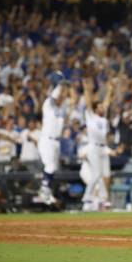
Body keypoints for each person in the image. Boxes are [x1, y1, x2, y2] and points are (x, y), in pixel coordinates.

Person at [37, 72, 75, 205]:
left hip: (56, 142)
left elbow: (65, 99)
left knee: (53, 168)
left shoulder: (61, 107)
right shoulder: (48, 103)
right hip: (47, 140)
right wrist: (61, 85)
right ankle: (43, 192)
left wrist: (66, 88)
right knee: (50, 166)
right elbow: (57, 96)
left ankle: (46, 192)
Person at [82, 78, 114, 210]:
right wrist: (87, 90)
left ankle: (102, 199)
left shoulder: (103, 119)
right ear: (95, 109)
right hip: (93, 147)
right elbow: (89, 103)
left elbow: (106, 102)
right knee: (96, 174)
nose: (102, 108)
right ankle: (87, 198)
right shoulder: (91, 117)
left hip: (103, 148)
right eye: (99, 107)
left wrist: (110, 90)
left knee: (105, 173)